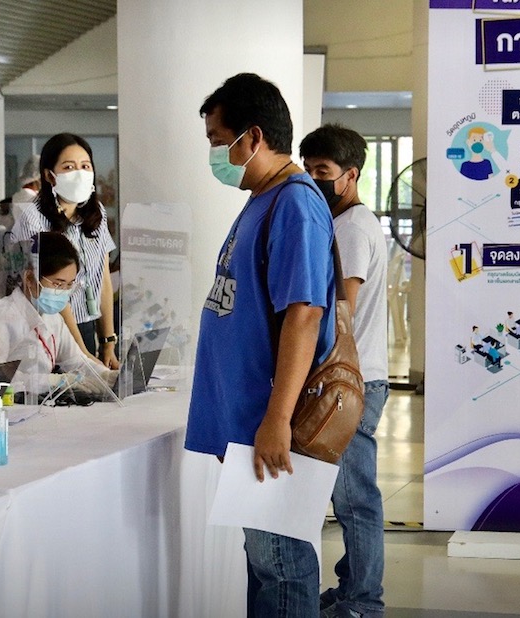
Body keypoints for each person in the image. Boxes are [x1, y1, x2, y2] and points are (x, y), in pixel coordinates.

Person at [184, 73, 336, 617]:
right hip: (248, 419)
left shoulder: (295, 204)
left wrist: (277, 418)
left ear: (252, 137)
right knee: (264, 565)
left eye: (216, 139)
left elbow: (305, 315)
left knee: (283, 567)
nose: (214, 152)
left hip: (270, 423)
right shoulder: (263, 197)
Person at [300, 123, 389, 618]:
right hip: (356, 377)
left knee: (356, 500)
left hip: (350, 381)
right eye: (309, 169)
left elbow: (341, 310)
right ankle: (353, 586)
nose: (315, 180)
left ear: (350, 175)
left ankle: (363, 601)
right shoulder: (351, 222)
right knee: (350, 496)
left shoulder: (351, 226)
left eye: (324, 172)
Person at [11, 134, 120, 369]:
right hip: (51, 328)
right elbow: (52, 287)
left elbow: (103, 279)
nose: (79, 173)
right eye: (69, 167)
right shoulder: (34, 219)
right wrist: (81, 353)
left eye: (85, 166)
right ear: (51, 175)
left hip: (87, 324)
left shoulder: (94, 213)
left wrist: (108, 341)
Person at [0, 231, 112, 394]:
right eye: (58, 284)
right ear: (29, 278)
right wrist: (56, 381)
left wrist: (108, 377)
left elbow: (78, 362)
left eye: (70, 285)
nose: (64, 292)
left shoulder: (53, 318)